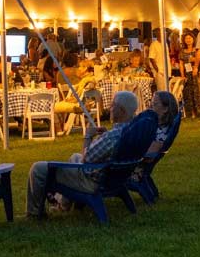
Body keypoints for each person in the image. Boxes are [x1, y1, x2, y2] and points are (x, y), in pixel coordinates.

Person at [26, 91, 140, 219]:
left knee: (38, 168)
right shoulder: (132, 132)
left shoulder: (113, 137)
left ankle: (34, 213)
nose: (109, 108)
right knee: (75, 157)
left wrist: (88, 136)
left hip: (93, 181)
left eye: (113, 105)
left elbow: (86, 159)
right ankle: (63, 204)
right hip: (116, 178)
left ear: (122, 111)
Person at [146, 91, 179, 155]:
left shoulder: (162, 133)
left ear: (165, 109)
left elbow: (150, 154)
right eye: (151, 104)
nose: (150, 107)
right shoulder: (151, 125)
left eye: (155, 104)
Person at [178, 32, 200, 118]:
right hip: (187, 74)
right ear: (184, 40)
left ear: (193, 39)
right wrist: (182, 75)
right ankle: (190, 113)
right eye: (186, 38)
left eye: (190, 38)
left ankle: (199, 111)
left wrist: (193, 59)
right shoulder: (182, 51)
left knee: (197, 91)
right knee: (188, 92)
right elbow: (181, 64)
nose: (188, 40)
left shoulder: (197, 50)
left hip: (196, 73)